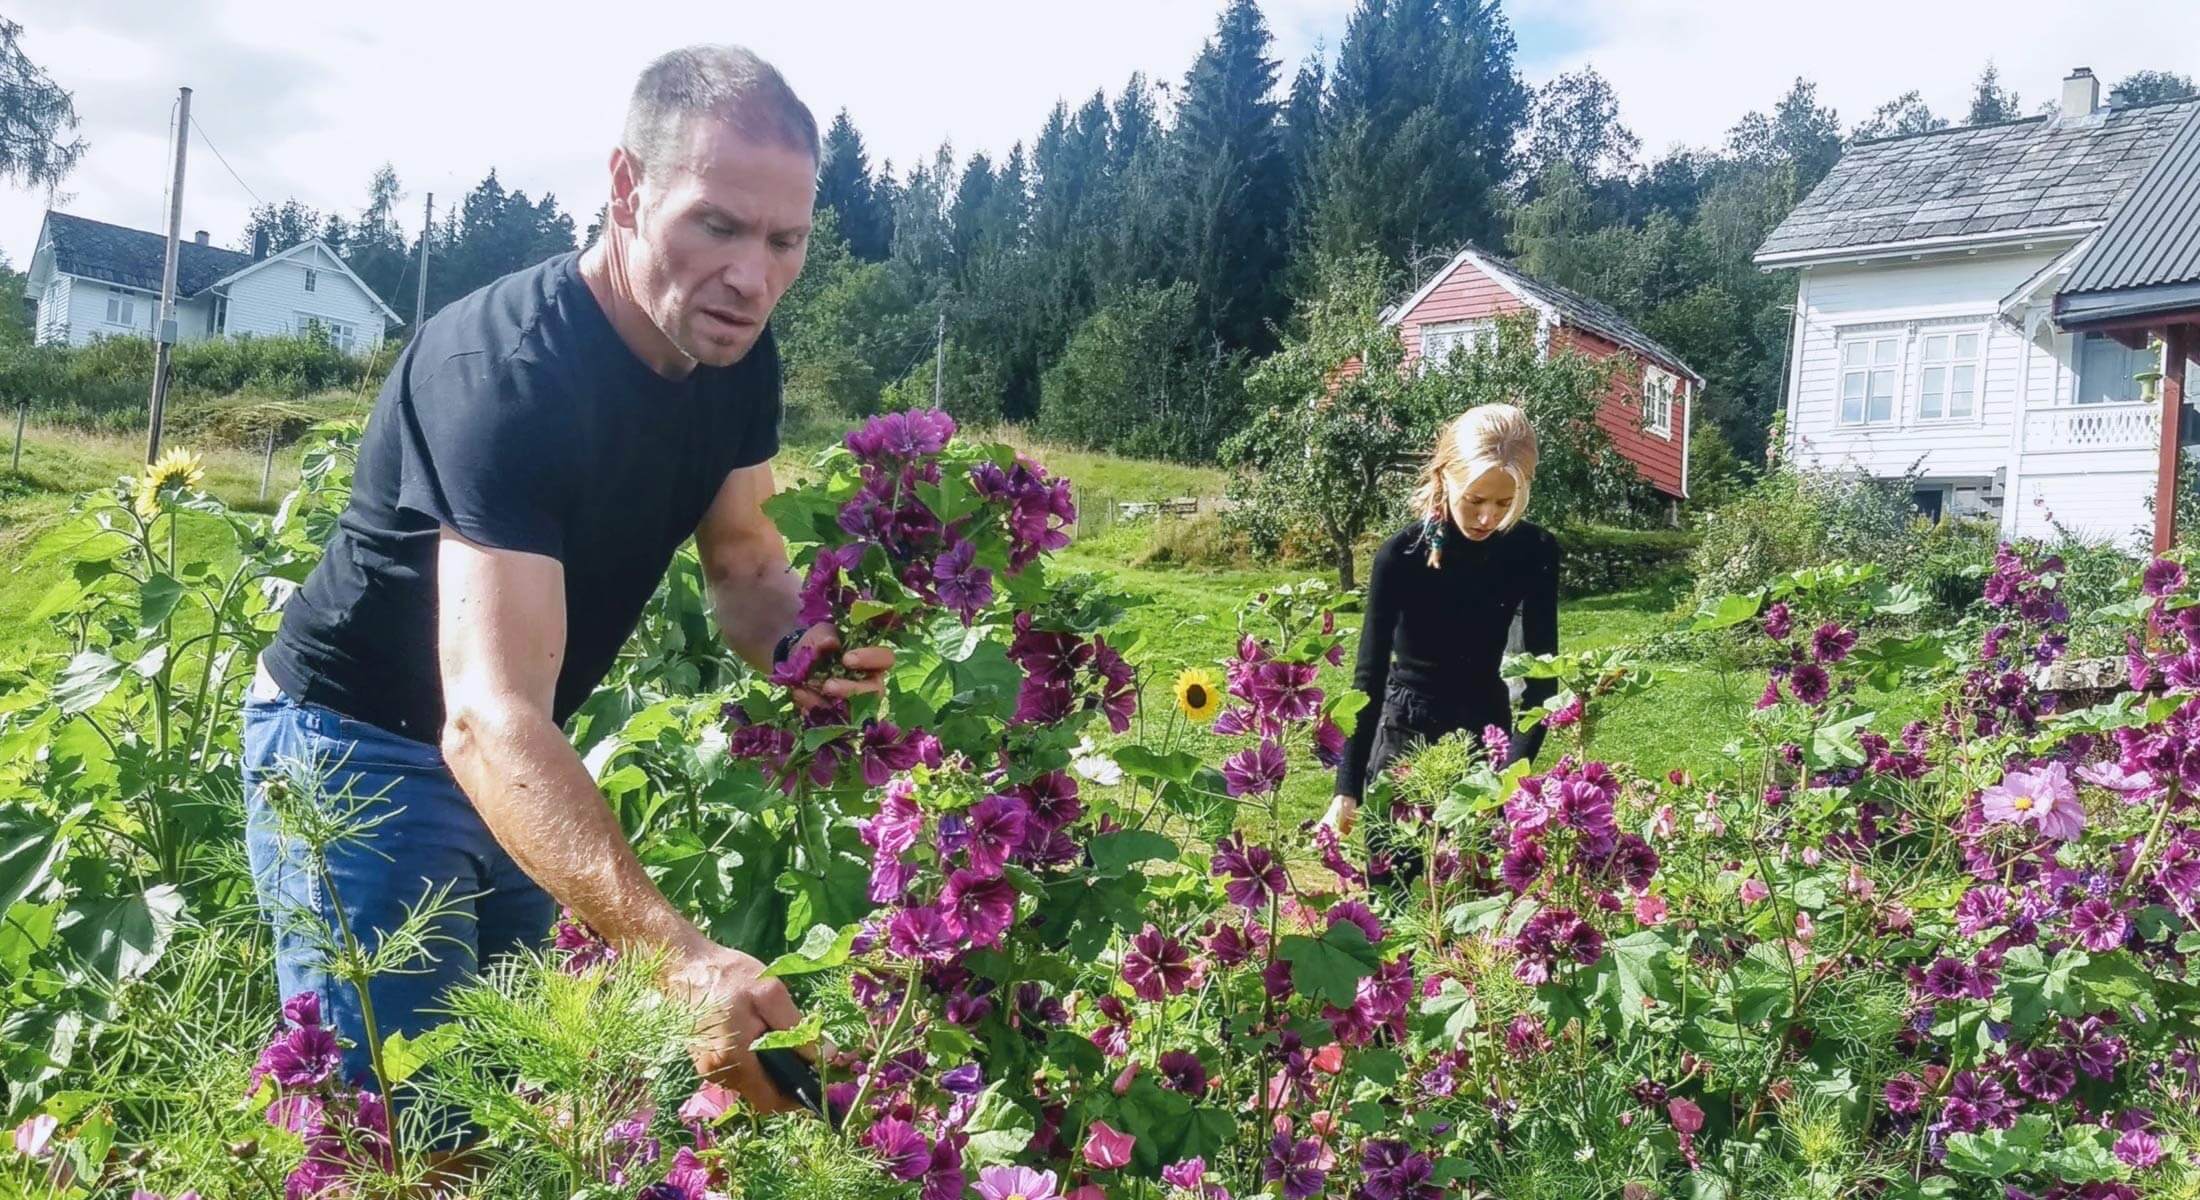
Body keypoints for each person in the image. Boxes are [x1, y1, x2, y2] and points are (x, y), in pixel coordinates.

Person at [242, 45, 873, 1113]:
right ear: (626, 189)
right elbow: (483, 720)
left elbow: (746, 560)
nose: (753, 277)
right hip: (356, 752)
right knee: (403, 1136)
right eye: (717, 225)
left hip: (519, 761)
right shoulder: (505, 377)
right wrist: (680, 956)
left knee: (501, 1106)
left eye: (785, 240)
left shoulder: (732, 354)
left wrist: (803, 649)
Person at [1321, 404, 1559, 880]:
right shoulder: (1400, 556)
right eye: (1475, 500)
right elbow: (1365, 679)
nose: (1488, 516)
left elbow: (1541, 683)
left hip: (1484, 739)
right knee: (1397, 898)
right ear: (1444, 475)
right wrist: (1347, 788)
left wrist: (1509, 781)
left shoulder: (1534, 552)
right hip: (1404, 733)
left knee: (1472, 904)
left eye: (1504, 502)